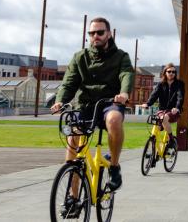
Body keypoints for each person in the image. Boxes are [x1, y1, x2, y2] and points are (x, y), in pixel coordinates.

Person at [51, 17, 134, 193]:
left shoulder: (121, 57)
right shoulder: (80, 57)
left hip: (109, 103)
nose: (95, 36)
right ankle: (72, 197)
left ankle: (114, 166)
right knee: (73, 137)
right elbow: (69, 83)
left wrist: (124, 93)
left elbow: (126, 74)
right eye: (91, 33)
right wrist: (60, 101)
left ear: (109, 34)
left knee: (114, 119)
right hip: (85, 106)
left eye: (99, 32)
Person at [141, 63, 184, 141]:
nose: (171, 73)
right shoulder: (161, 84)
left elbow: (180, 97)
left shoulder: (179, 84)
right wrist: (148, 104)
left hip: (173, 111)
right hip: (162, 110)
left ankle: (171, 139)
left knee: (164, 118)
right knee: (157, 121)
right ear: (165, 72)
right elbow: (154, 95)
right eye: (169, 71)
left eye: (173, 72)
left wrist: (177, 108)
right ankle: (155, 142)